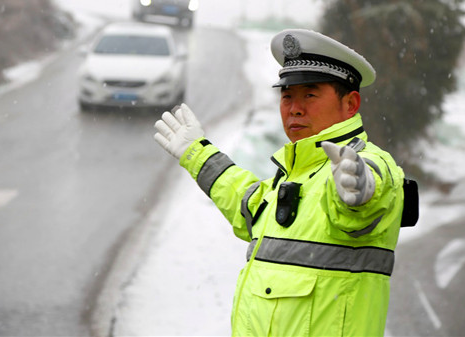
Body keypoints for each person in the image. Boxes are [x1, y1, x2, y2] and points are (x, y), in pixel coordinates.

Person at [154, 29, 416, 336]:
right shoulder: (293, 174)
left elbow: (370, 193)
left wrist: (361, 191)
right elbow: (248, 203)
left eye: (310, 94)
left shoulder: (363, 163)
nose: (295, 108)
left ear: (350, 104)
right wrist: (197, 154)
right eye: (287, 95)